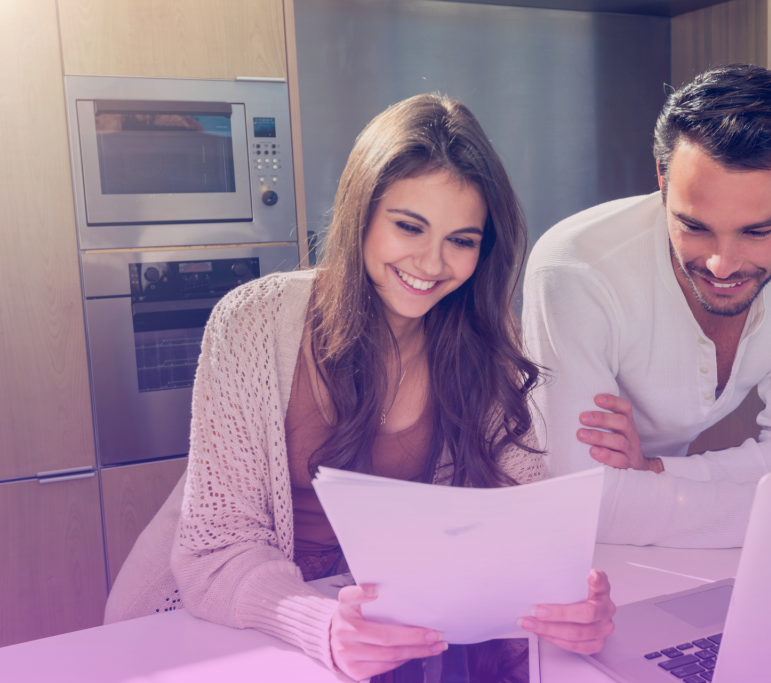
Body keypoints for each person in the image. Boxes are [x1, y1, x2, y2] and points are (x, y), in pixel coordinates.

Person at [106, 93, 615, 682]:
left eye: (463, 240)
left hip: (368, 636)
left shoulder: (488, 340)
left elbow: (513, 528)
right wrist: (319, 624)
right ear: (361, 213)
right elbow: (216, 551)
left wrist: (566, 608)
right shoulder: (251, 321)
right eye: (408, 226)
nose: (432, 262)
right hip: (210, 622)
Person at [522, 64, 771, 548]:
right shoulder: (576, 270)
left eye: (758, 231)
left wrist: (655, 472)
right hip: (534, 523)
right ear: (662, 179)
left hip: (658, 526)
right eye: (695, 226)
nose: (722, 265)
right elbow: (590, 501)